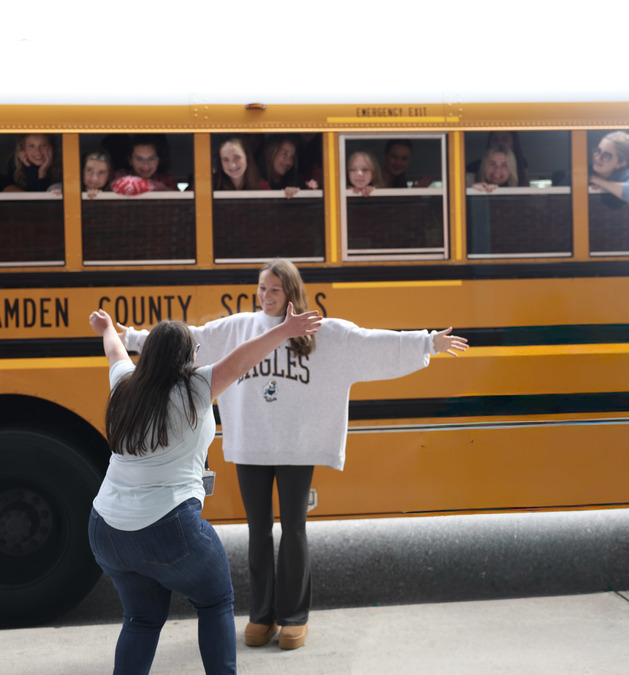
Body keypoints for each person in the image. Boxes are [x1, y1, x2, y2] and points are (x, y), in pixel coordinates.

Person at [117, 258, 468, 651]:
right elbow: (189, 339)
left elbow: (370, 343)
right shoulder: (239, 327)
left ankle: (294, 617)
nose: (265, 296)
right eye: (262, 288)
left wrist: (427, 342)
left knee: (294, 529)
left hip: (298, 446)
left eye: (274, 290)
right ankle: (261, 615)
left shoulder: (320, 331)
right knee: (258, 531)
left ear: (292, 293)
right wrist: (130, 337)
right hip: (252, 444)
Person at [88, 302, 322, 674]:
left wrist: (106, 329)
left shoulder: (124, 385)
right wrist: (284, 331)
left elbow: (115, 352)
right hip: (168, 527)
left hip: (106, 529)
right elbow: (242, 360)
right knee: (215, 602)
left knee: (141, 619)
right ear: (185, 359)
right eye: (194, 351)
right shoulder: (194, 388)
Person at [589, 131, 629, 207]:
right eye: (597, 151)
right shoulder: (584, 171)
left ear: (620, 163)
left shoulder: (626, 174)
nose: (598, 158)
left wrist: (600, 182)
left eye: (606, 155)